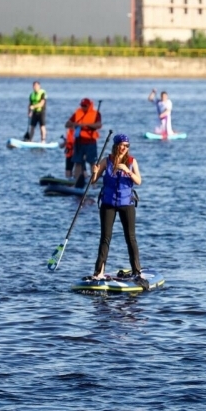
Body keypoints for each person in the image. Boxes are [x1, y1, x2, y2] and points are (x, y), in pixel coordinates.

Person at [88, 134, 144, 285]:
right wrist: (93, 172)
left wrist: (127, 170)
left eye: (127, 146)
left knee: (130, 238)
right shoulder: (107, 161)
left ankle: (137, 271)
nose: (124, 148)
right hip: (108, 203)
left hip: (127, 204)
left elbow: (139, 181)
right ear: (116, 146)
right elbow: (93, 181)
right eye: (122, 145)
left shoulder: (132, 162)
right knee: (105, 238)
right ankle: (98, 272)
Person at [66, 98, 102, 187]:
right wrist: (75, 124)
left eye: (85, 106)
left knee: (92, 162)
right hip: (78, 142)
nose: (83, 107)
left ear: (89, 106)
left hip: (90, 142)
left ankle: (94, 184)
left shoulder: (96, 114)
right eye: (81, 105)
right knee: (77, 162)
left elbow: (98, 125)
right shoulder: (77, 113)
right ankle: (77, 183)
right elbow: (67, 124)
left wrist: (85, 125)